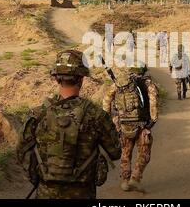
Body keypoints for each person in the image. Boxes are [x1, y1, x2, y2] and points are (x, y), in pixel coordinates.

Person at [16, 50, 121, 199]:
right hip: (83, 194)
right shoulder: (96, 115)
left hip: (45, 192)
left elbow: (21, 152)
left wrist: (38, 178)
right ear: (81, 79)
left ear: (56, 78)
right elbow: (115, 153)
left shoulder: (38, 114)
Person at [102, 63, 158, 192]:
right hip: (142, 124)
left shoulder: (120, 82)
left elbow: (106, 100)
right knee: (144, 151)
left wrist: (111, 119)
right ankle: (136, 177)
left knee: (125, 152)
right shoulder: (147, 83)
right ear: (143, 71)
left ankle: (125, 181)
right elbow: (153, 100)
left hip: (123, 125)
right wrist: (153, 119)